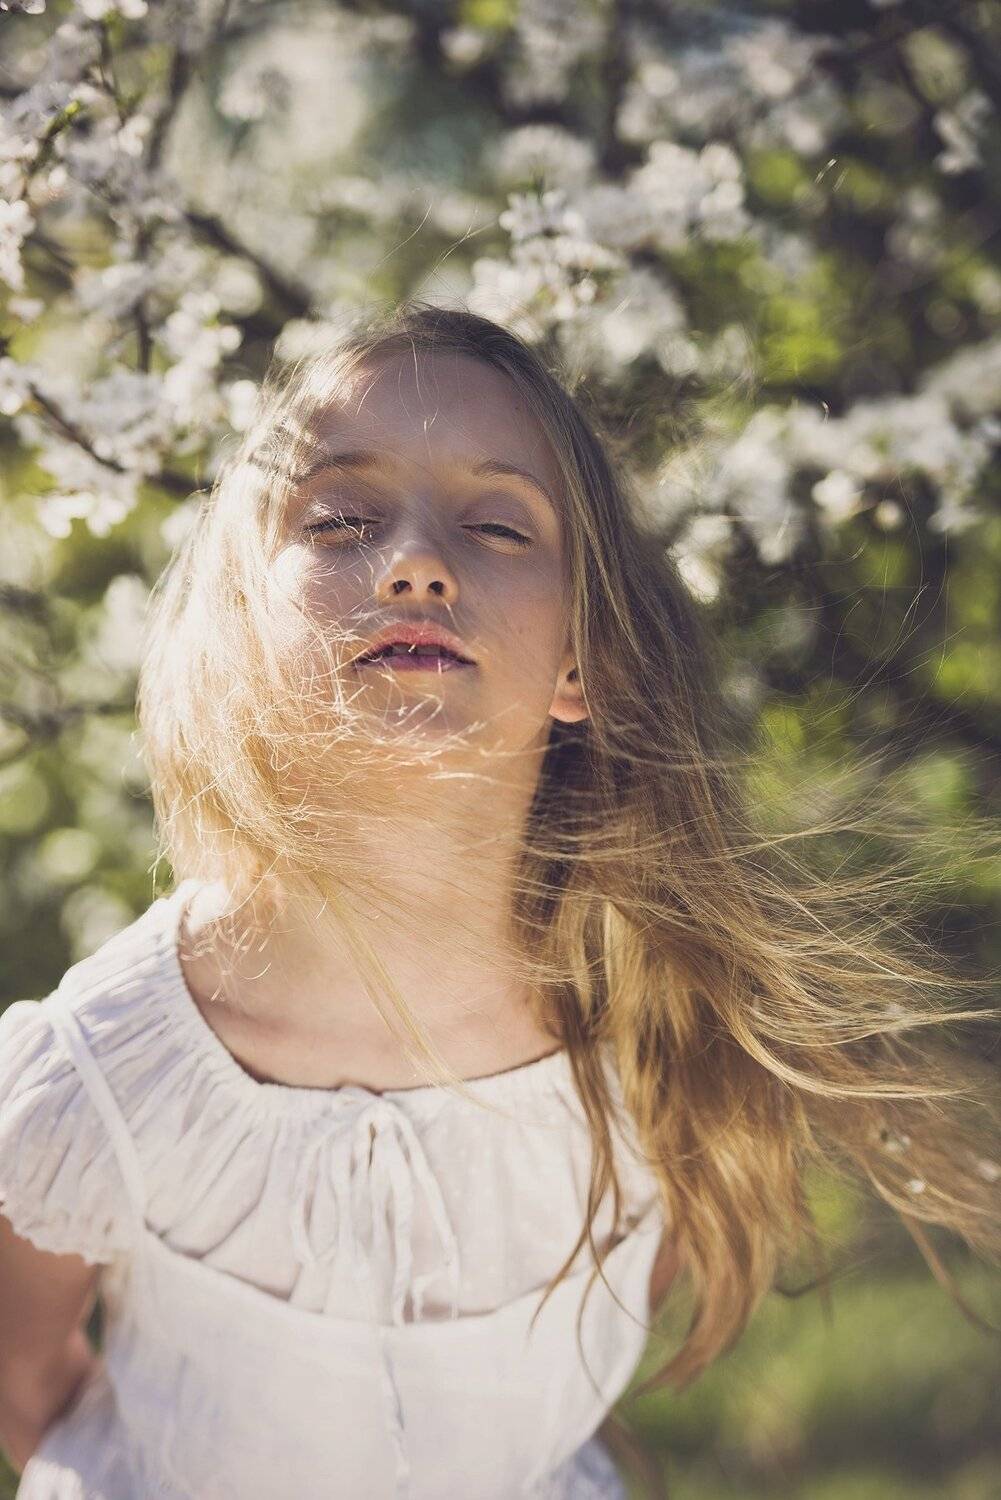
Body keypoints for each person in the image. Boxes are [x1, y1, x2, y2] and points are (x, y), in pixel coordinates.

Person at [0, 302, 997, 1500]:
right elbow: (26, 1380)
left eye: (495, 526)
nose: (415, 563)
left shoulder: (657, 1036)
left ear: (582, 659)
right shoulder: (104, 1073)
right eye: (340, 520)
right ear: (246, 625)